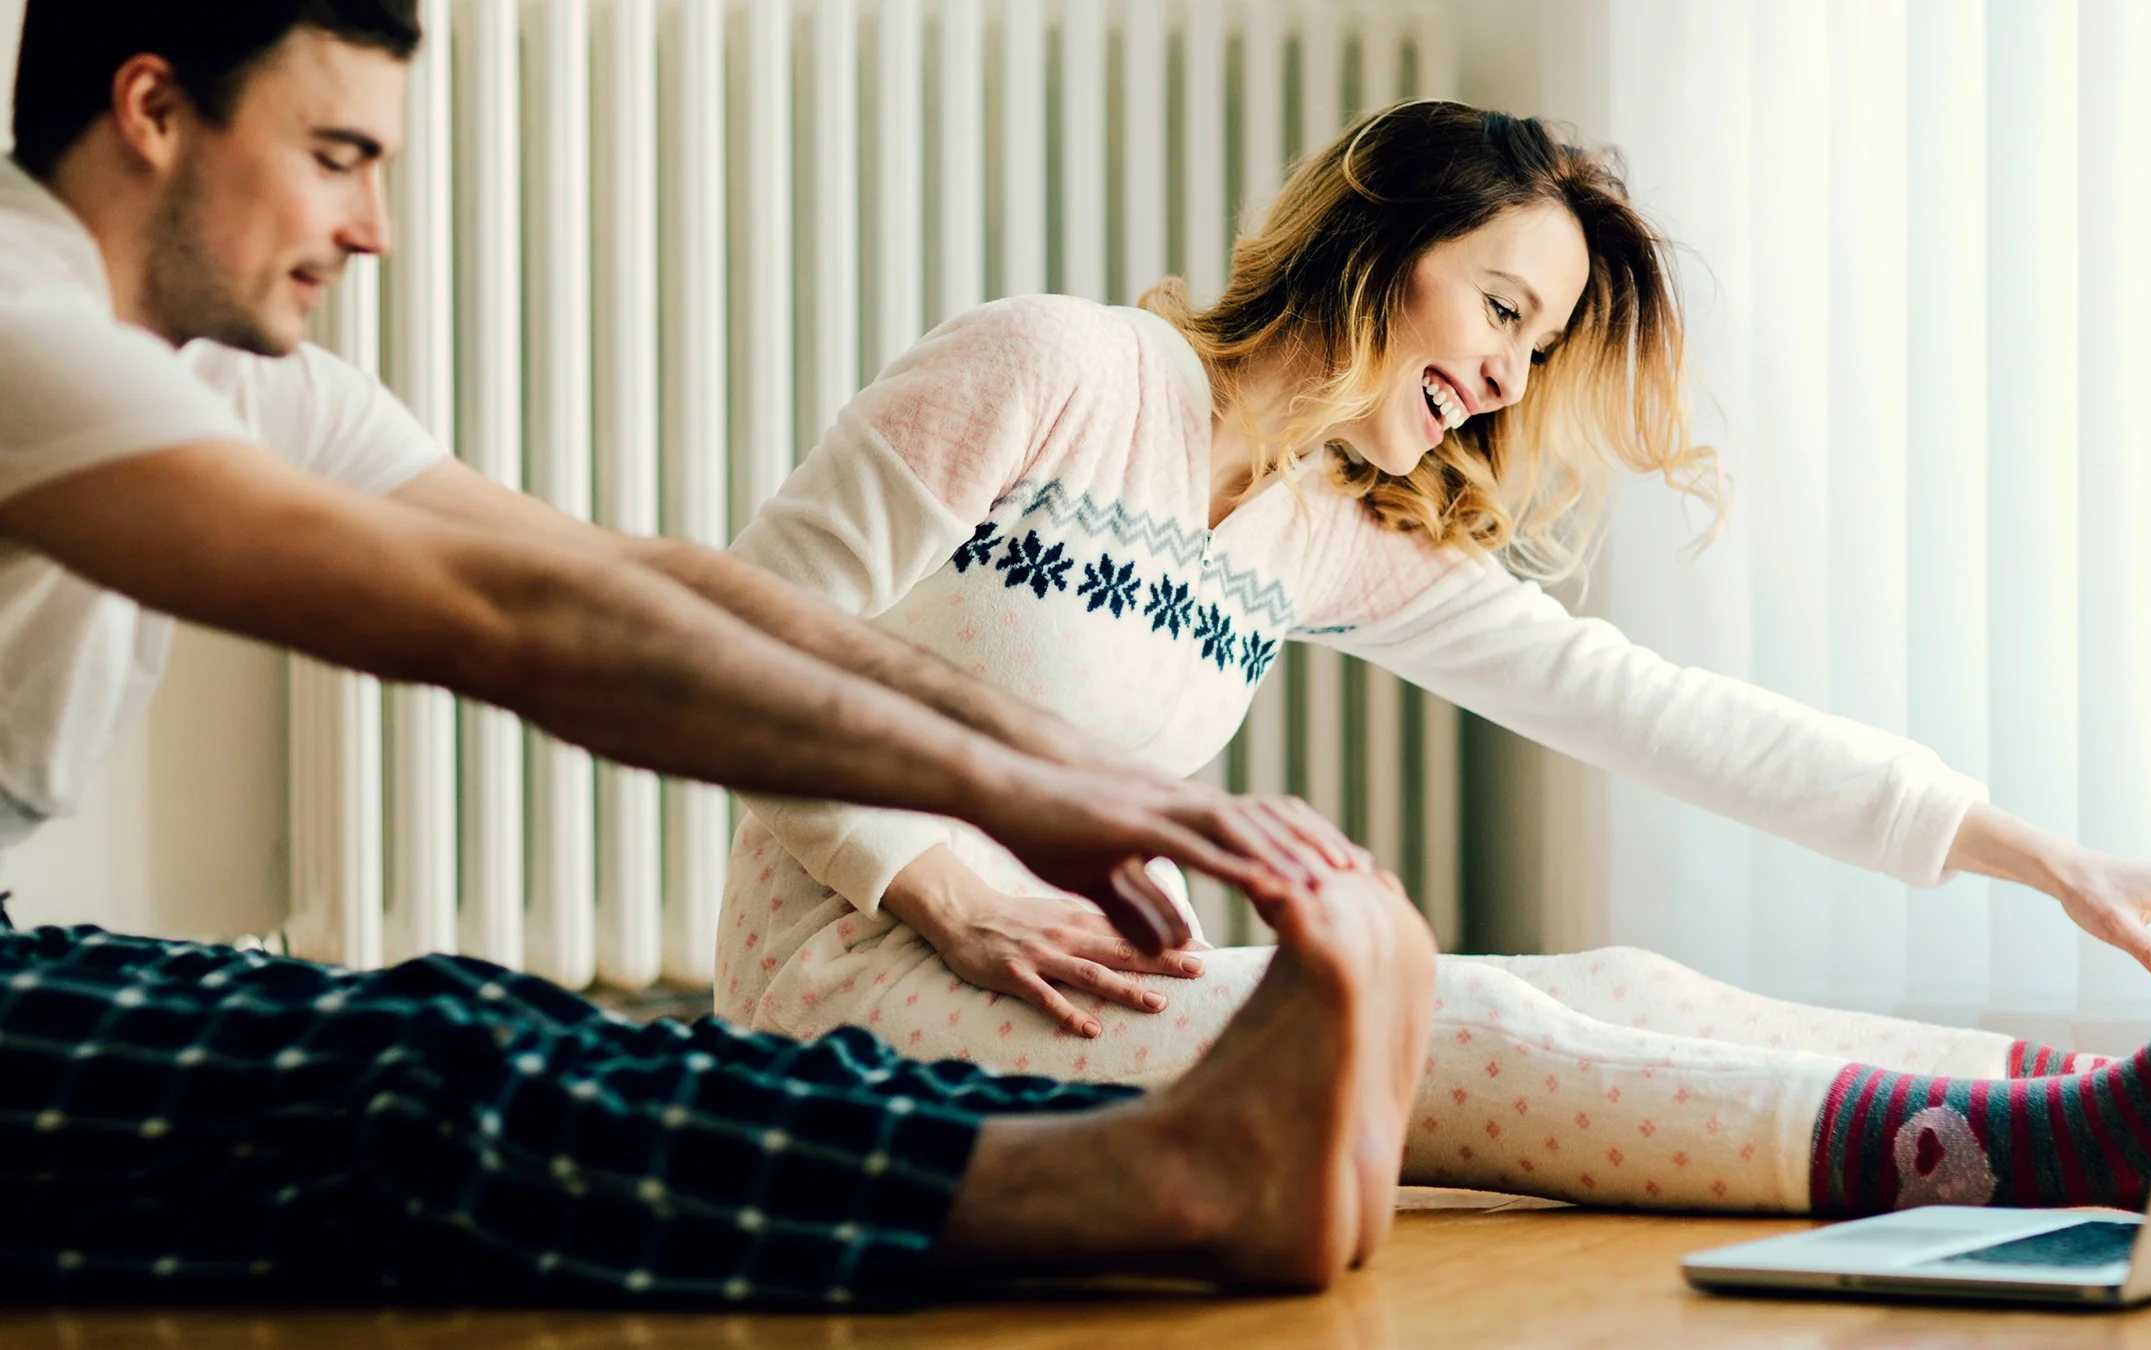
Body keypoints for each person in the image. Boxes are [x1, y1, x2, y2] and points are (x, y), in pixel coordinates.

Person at [0, 0, 1436, 1304]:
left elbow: (637, 577)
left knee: (471, 1012)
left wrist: (1054, 759)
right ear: (152, 109)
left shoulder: (220, 375)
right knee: (418, 1084)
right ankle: (1172, 1177)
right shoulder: (25, 327)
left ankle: (1162, 1137)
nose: (374, 225)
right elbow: (523, 628)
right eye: (335, 154)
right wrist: (1007, 795)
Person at [716, 99, 2151, 1220]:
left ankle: (2137, 1094)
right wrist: (934, 874)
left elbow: (1658, 709)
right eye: (1499, 308)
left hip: (1067, 979)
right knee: (1425, 1018)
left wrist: (2037, 854)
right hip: (844, 985)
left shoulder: (1325, 526)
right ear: (1377, 241)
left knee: (1632, 988)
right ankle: (2021, 1151)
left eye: (1532, 348)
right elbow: (731, 648)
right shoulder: (1056, 369)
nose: (1502, 378)